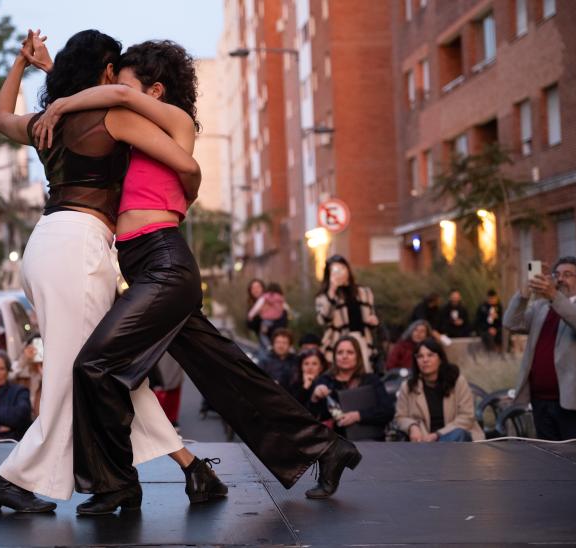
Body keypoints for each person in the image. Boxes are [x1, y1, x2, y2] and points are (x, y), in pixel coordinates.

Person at [34, 38, 360, 512]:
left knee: (94, 366)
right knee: (225, 371)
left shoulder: (176, 122)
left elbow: (119, 98)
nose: (110, 92)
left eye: (121, 84)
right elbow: (100, 111)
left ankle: (116, 485)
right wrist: (53, 75)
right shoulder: (133, 134)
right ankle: (326, 448)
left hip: (165, 265)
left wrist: (61, 99)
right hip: (146, 266)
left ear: (157, 90)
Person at [0, 29, 221, 513]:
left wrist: (24, 67)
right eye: (118, 70)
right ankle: (9, 478)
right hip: (78, 251)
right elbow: (181, 159)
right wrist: (186, 196)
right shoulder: (113, 115)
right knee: (79, 374)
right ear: (109, 72)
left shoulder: (49, 122)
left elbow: (0, 118)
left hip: (48, 244)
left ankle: (190, 466)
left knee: (107, 371)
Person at [503, 257, 576, 440]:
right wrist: (525, 293)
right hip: (540, 399)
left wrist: (554, 296)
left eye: (568, 275)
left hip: (573, 402)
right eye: (556, 275)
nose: (560, 279)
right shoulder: (541, 306)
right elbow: (511, 322)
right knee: (548, 459)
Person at [394, 338, 484, 442]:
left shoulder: (457, 381)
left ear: (440, 359)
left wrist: (437, 435)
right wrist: (412, 426)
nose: (425, 360)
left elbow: (467, 417)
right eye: (420, 356)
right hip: (424, 442)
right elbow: (400, 417)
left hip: (455, 438)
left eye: (430, 355)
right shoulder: (408, 386)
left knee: (458, 434)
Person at [308, 336, 394, 441]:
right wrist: (314, 398)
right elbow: (311, 418)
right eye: (340, 352)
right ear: (334, 357)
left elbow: (388, 410)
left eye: (350, 352)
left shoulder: (371, 380)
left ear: (358, 356)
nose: (344, 356)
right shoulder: (324, 380)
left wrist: (358, 415)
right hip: (335, 443)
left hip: (370, 442)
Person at [315, 255, 380, 371]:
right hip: (339, 342)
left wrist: (373, 321)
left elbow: (371, 316)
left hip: (362, 341)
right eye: (335, 270)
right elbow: (323, 319)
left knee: (364, 375)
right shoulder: (324, 297)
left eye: (342, 269)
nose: (340, 273)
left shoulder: (364, 292)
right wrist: (332, 290)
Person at [247, 282, 289, 350]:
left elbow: (257, 307)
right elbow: (286, 308)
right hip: (277, 318)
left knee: (263, 334)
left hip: (266, 321)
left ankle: (268, 346)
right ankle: (274, 346)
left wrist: (250, 315)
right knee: (276, 335)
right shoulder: (280, 298)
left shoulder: (265, 297)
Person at [287, 349, 329, 416]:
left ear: (321, 367)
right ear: (301, 367)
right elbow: (294, 409)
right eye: (306, 364)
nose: (310, 367)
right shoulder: (294, 384)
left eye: (314, 364)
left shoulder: (326, 383)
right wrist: (305, 387)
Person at [11, 334, 43, 420]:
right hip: (24, 418)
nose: (38, 351)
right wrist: (24, 360)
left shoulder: (51, 369)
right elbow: (8, 376)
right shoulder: (22, 367)